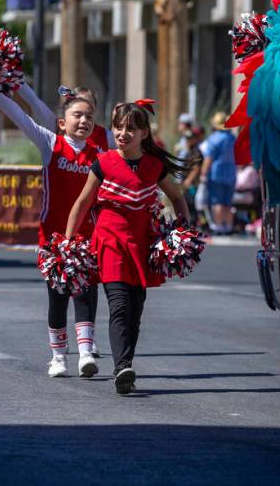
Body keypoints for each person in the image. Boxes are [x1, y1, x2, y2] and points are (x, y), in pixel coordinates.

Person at [65, 100, 193, 395]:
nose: (122, 133)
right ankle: (122, 366)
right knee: (119, 304)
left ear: (144, 133)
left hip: (143, 244)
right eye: (118, 127)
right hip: (109, 241)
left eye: (130, 129)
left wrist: (181, 232)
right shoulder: (104, 162)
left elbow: (176, 198)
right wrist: (69, 241)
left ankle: (126, 366)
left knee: (135, 309)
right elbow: (83, 202)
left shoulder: (154, 166)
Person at [0, 82, 101, 378]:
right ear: (63, 122)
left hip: (86, 237)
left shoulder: (101, 155)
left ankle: (87, 353)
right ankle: (58, 357)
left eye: (89, 117)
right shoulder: (50, 143)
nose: (84, 121)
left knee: (84, 294)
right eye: (78, 115)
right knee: (58, 296)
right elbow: (21, 116)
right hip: (53, 238)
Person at [199, 112, 237, 234]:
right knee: (228, 203)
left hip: (216, 174)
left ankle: (219, 226)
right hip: (231, 174)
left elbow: (208, 159)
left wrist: (203, 173)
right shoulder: (232, 138)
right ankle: (229, 226)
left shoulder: (214, 139)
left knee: (217, 201)